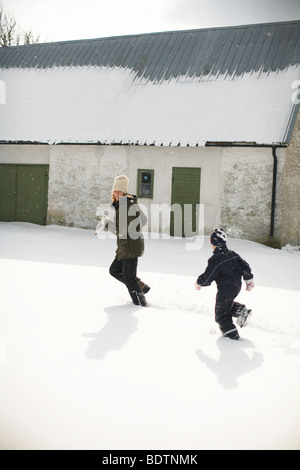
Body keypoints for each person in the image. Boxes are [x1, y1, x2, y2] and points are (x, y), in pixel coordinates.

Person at [195, 228, 254, 340]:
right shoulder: (232, 254)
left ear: (215, 243)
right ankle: (241, 311)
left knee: (220, 316)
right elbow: (245, 265)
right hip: (236, 286)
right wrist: (248, 279)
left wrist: (199, 282)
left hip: (226, 289)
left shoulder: (215, 260)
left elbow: (208, 277)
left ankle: (232, 337)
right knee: (225, 306)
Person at [100, 175, 150, 307]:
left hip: (129, 248)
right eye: (115, 191)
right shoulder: (128, 203)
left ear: (124, 192)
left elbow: (121, 230)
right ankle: (140, 286)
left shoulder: (126, 206)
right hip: (126, 246)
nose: (117, 194)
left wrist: (107, 223)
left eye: (119, 191)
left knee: (129, 278)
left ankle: (141, 305)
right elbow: (143, 220)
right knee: (114, 270)